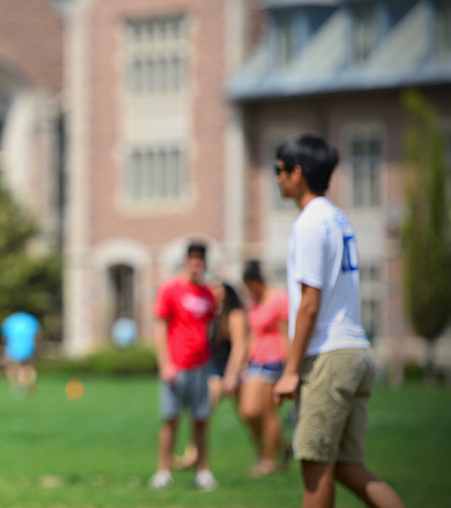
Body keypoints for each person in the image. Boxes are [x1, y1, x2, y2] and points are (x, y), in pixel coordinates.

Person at [272, 133, 404, 508]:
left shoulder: (309, 223)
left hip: (328, 356)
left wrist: (291, 370)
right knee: (347, 466)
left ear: (298, 173)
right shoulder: (339, 218)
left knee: (316, 472)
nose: (277, 178)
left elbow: (309, 303)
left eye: (279, 170)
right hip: (355, 351)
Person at [149, 242, 218, 491]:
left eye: (200, 260)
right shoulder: (171, 289)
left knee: (200, 420)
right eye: (193, 259)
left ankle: (203, 471)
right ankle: (163, 471)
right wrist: (165, 363)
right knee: (171, 419)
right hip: (177, 365)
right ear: (185, 261)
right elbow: (160, 325)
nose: (196, 264)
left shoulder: (209, 294)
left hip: (202, 364)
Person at [173, 281, 247, 471]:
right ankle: (192, 455)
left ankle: (275, 448)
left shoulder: (234, 315)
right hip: (212, 369)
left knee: (249, 414)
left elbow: (239, 346)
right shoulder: (210, 315)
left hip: (230, 369)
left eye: (218, 291)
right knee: (202, 413)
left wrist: (232, 375)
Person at [240, 259, 290, 478]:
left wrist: (289, 368)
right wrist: (244, 361)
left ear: (256, 281)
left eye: (249, 285)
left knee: (269, 413)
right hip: (255, 361)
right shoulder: (255, 301)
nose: (248, 290)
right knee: (248, 411)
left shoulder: (279, 298)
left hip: (275, 359)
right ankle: (281, 446)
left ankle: (268, 461)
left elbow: (286, 333)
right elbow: (252, 331)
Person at [0, 311, 42, 398]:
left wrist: (2, 348)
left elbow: (4, 337)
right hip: (29, 347)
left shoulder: (9, 320)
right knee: (26, 366)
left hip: (13, 347)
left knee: (12, 367)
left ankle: (16, 386)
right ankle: (26, 383)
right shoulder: (30, 319)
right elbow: (38, 334)